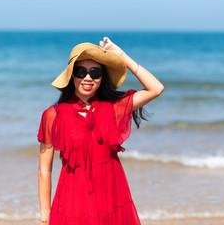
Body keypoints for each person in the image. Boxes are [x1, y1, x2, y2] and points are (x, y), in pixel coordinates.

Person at [38, 37, 164, 225]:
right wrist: (44, 215)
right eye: (81, 71)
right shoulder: (53, 115)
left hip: (112, 197)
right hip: (72, 201)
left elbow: (156, 88)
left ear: (102, 78)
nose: (88, 78)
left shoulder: (113, 108)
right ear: (71, 75)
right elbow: (44, 169)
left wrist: (121, 56)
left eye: (95, 72)